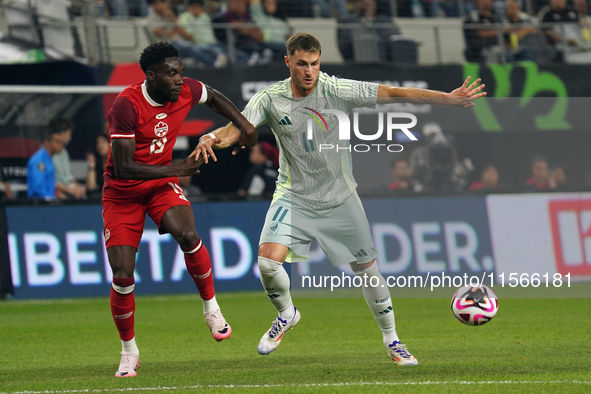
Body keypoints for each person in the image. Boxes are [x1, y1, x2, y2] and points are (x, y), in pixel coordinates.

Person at [193, 33, 486, 365]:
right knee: (267, 262)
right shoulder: (269, 99)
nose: (309, 71)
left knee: (368, 272)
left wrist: (446, 98)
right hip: (293, 196)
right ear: (288, 62)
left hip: (341, 197)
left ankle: (393, 341)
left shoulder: (336, 89)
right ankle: (287, 314)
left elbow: (394, 93)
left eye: (315, 64)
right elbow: (236, 129)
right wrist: (210, 137)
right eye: (302, 64)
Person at [103, 42, 258, 377]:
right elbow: (124, 166)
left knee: (188, 233)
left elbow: (214, 96)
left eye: (181, 73)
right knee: (122, 275)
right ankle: (129, 351)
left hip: (159, 184)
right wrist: (176, 170)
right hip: (123, 194)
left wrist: (243, 123)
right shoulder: (126, 105)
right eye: (171, 74)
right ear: (151, 75)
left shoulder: (185, 90)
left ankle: (211, 308)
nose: (179, 80)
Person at [146, 0, 228, 67]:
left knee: (201, 47)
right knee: (189, 47)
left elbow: (182, 31)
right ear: (152, 6)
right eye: (158, 3)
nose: (162, 6)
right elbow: (163, 34)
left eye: (163, 3)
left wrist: (172, 17)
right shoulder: (150, 19)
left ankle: (219, 59)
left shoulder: (169, 16)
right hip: (167, 45)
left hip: (181, 42)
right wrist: (177, 29)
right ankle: (212, 64)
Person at [179, 0, 253, 65]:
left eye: (199, 7)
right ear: (189, 8)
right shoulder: (185, 17)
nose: (197, 9)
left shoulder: (205, 16)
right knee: (218, 53)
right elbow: (188, 34)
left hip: (214, 42)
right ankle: (215, 64)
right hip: (201, 44)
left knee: (230, 50)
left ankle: (248, 60)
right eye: (194, 7)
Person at [50, 118, 87, 200]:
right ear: (61, 134)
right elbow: (48, 182)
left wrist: (79, 188)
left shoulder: (64, 152)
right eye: (68, 134)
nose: (70, 138)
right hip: (55, 194)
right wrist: (70, 191)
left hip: (68, 192)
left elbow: (69, 179)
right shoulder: (46, 155)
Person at [27, 129, 64, 199]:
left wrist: (57, 194)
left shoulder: (49, 160)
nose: (60, 145)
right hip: (38, 205)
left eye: (61, 143)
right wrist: (48, 200)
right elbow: (37, 186)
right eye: (57, 142)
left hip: (48, 205)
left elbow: (50, 184)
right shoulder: (40, 161)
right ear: (47, 142)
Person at [86, 133, 110, 198]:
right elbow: (90, 187)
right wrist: (91, 166)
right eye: (97, 143)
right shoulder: (97, 163)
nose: (100, 145)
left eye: (102, 142)